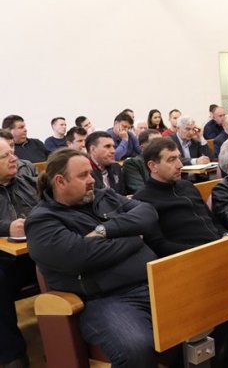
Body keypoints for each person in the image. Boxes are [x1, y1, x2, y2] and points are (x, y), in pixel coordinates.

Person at [133, 138, 228, 368]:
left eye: (178, 158)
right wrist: (204, 253)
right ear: (153, 166)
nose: (179, 165)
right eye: (171, 160)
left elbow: (211, 220)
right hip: (191, 266)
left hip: (217, 252)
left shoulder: (186, 186)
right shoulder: (144, 200)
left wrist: (224, 235)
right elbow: (158, 245)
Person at [25, 149, 161, 367]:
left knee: (213, 311)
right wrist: (134, 237)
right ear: (60, 181)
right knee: (137, 348)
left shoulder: (103, 196)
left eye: (90, 173)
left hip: (153, 283)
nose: (92, 180)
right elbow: (82, 256)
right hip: (105, 300)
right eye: (83, 175)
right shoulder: (42, 221)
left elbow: (148, 213)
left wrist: (105, 230)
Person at [0, 135, 39, 368]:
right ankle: (11, 355)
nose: (14, 158)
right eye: (5, 156)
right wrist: (6, 227)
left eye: (12, 152)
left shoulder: (26, 179)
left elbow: (48, 204)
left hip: (38, 252)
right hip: (6, 261)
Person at [123, 129, 162, 195]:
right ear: (142, 148)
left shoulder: (166, 161)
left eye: (162, 141)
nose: (161, 145)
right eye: (155, 142)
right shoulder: (132, 163)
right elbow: (139, 190)